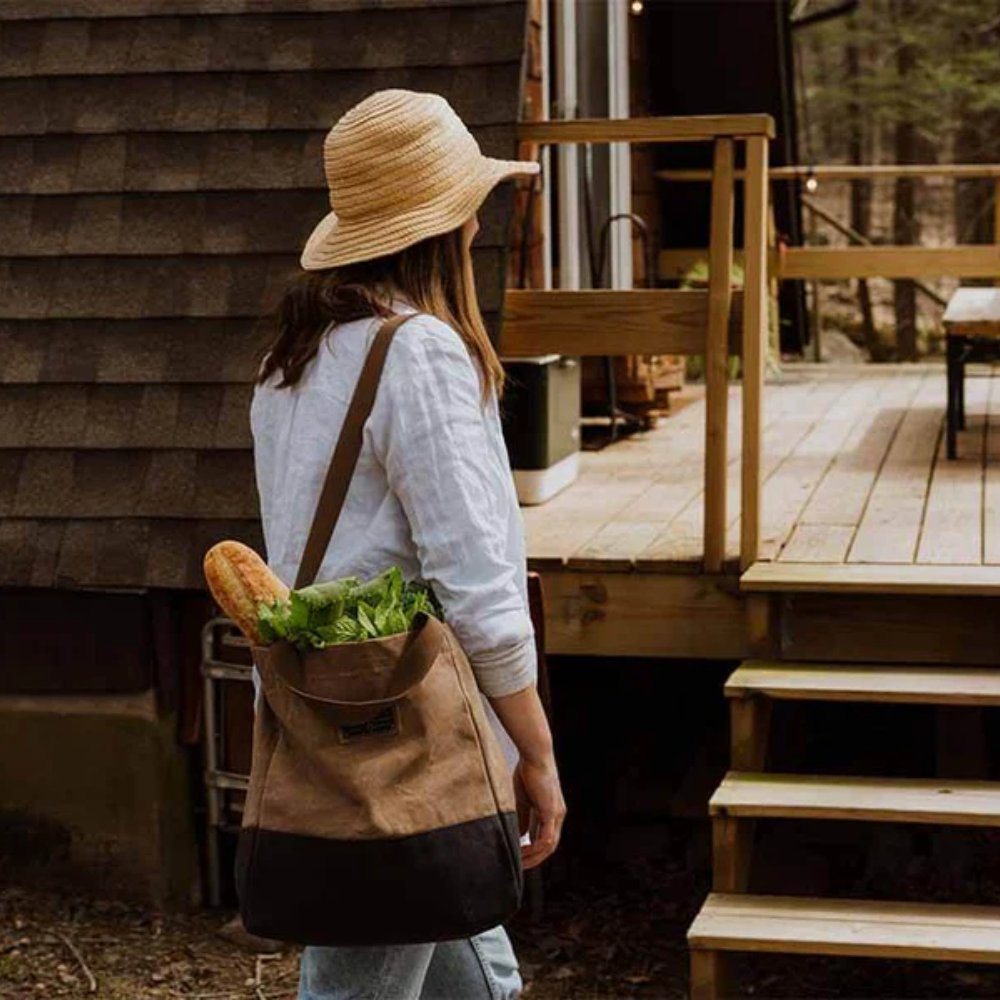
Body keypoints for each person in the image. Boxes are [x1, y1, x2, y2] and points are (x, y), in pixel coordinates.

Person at [249, 89, 567, 1000]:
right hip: (402, 732)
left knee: (478, 980)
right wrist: (536, 754)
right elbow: (476, 584)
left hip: (333, 704)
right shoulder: (420, 353)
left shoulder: (290, 361)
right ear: (449, 222)